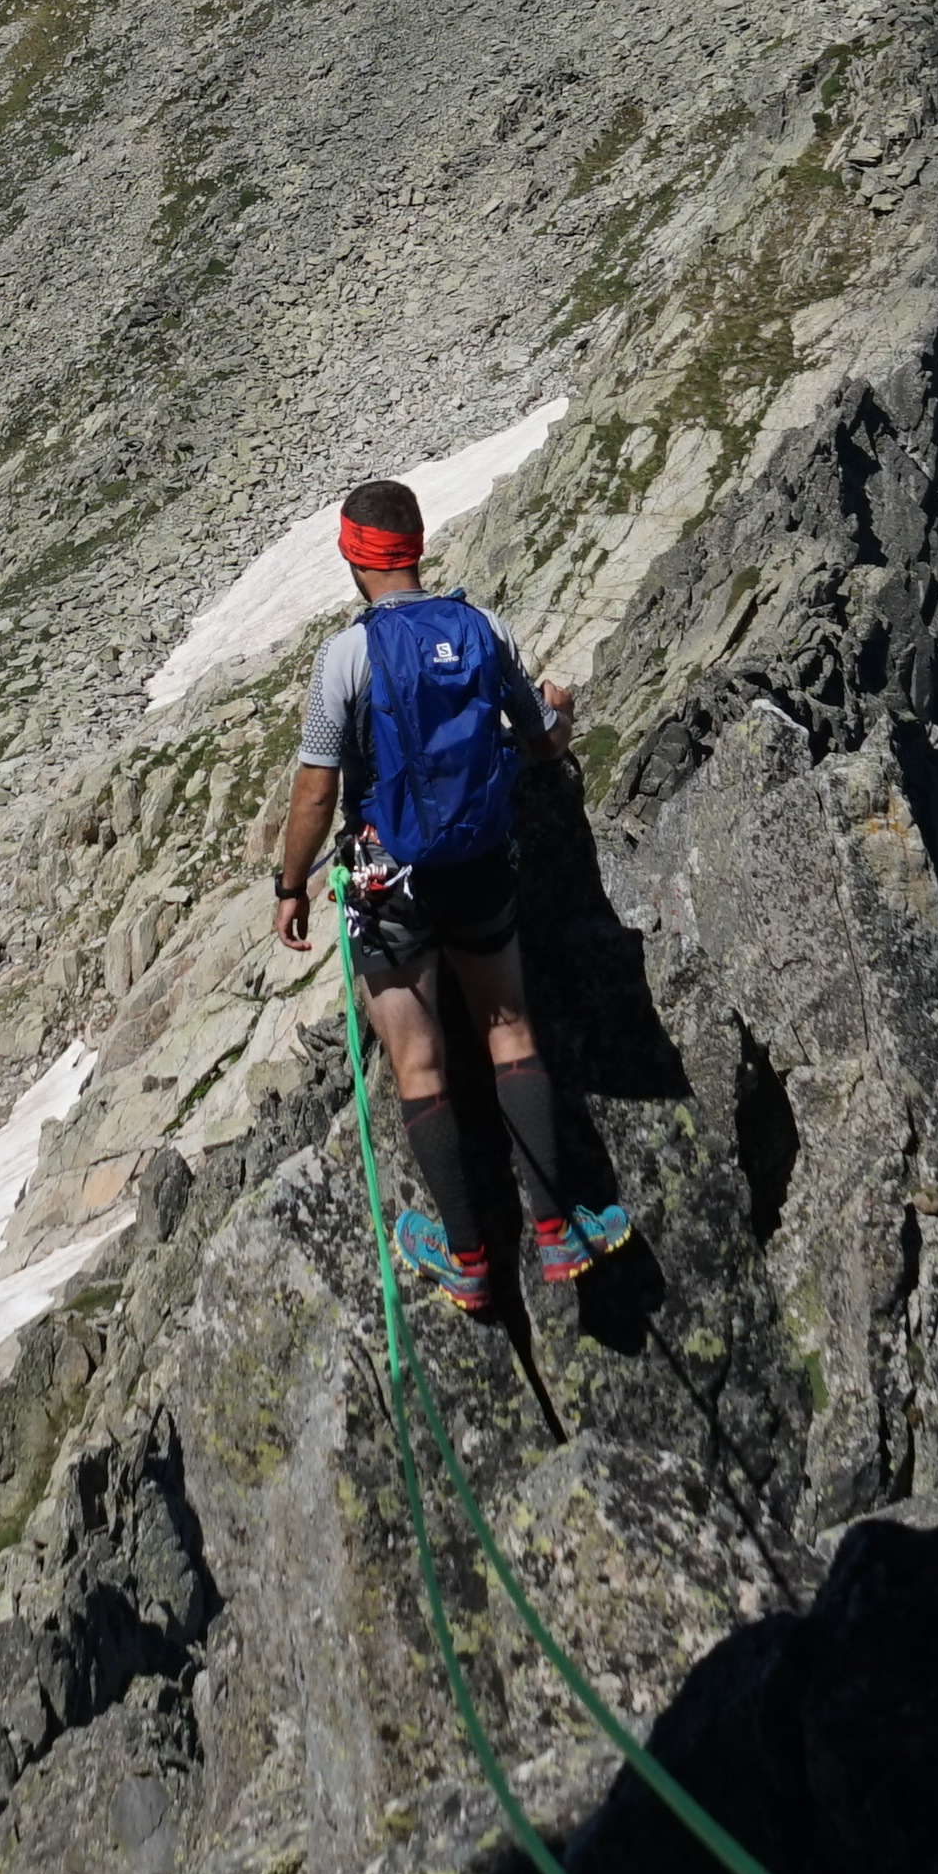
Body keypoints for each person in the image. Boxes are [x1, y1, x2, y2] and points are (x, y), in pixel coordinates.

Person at [266, 474, 627, 1321]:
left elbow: (316, 791)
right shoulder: (480, 627)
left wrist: (291, 885)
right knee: (510, 1032)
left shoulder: (346, 656)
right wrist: (559, 713)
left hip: (390, 881)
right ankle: (554, 1230)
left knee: (419, 1062)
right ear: (417, 547)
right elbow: (540, 745)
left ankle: (468, 1262)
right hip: (479, 864)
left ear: (354, 557)